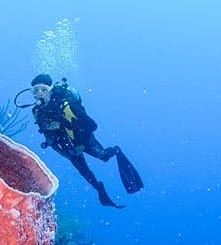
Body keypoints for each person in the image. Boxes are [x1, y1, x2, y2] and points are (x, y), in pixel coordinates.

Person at [30, 73, 143, 208]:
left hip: (83, 139)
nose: (40, 94)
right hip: (66, 145)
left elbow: (92, 125)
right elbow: (46, 133)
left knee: (104, 156)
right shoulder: (37, 111)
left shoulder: (66, 105)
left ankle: (117, 151)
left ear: (51, 89)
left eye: (43, 89)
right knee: (84, 172)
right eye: (36, 91)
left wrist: (81, 144)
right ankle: (100, 190)